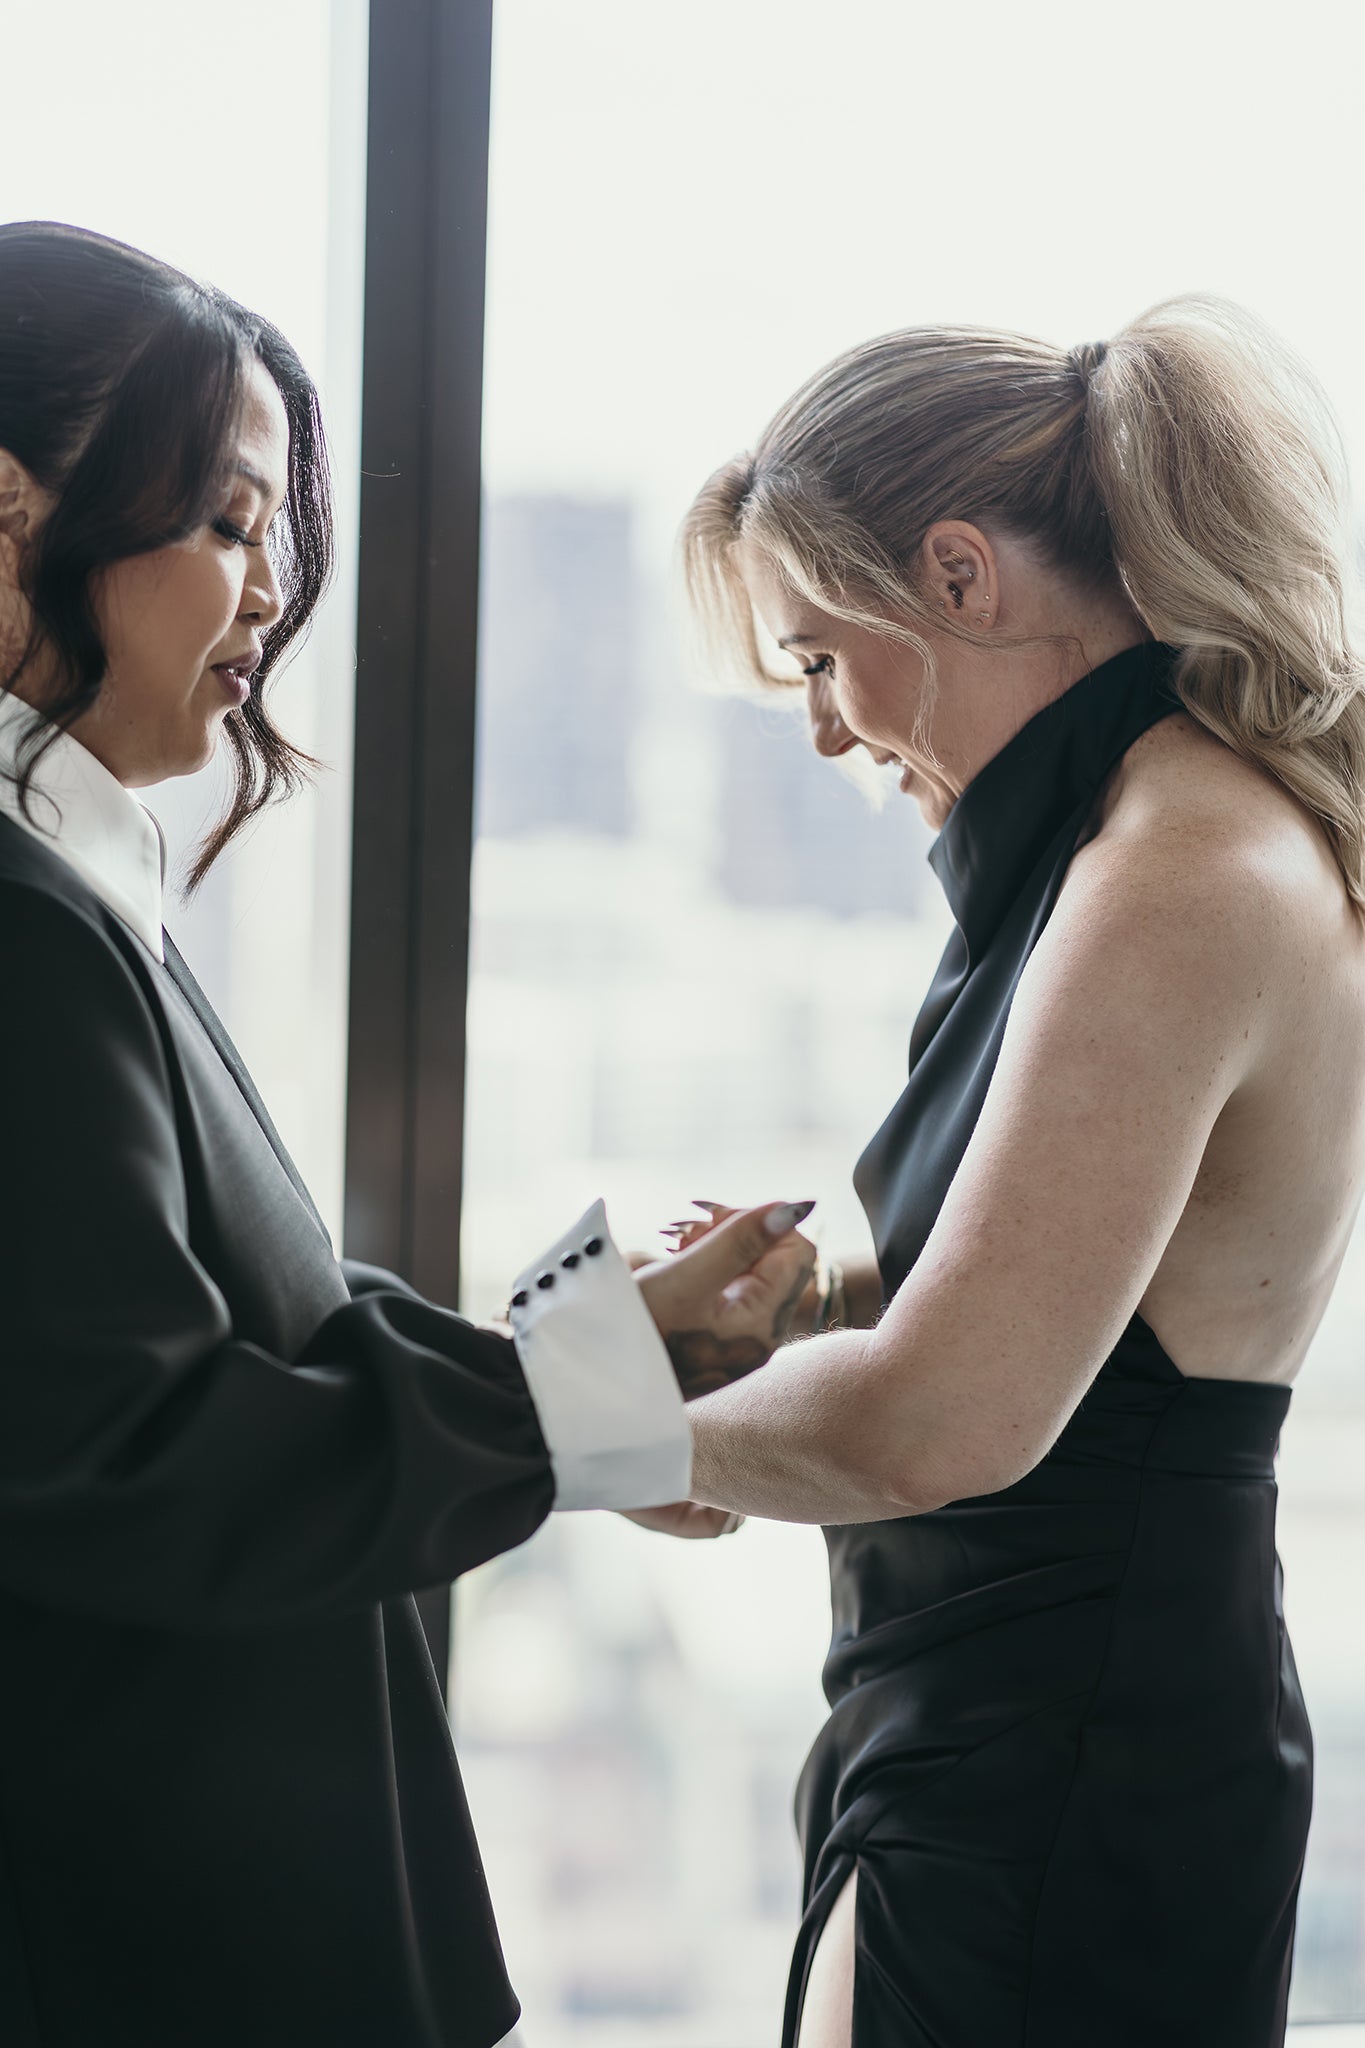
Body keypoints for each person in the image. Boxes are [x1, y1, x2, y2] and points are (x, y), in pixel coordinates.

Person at [0, 219, 815, 2048]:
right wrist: (584, 1394)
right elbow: (150, 1461)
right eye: (222, 520)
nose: (274, 591)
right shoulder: (18, 931)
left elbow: (230, 1336)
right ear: (4, 527)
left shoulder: (67, 888)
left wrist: (615, 1370)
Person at [676, 298, 1365, 2048]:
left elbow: (937, 1426)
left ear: (959, 576)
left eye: (820, 655)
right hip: (988, 1723)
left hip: (1075, 1763)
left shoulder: (1182, 868)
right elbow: (1070, 1336)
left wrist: (548, 1416)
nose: (824, 732)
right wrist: (788, 1313)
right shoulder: (1118, 844)